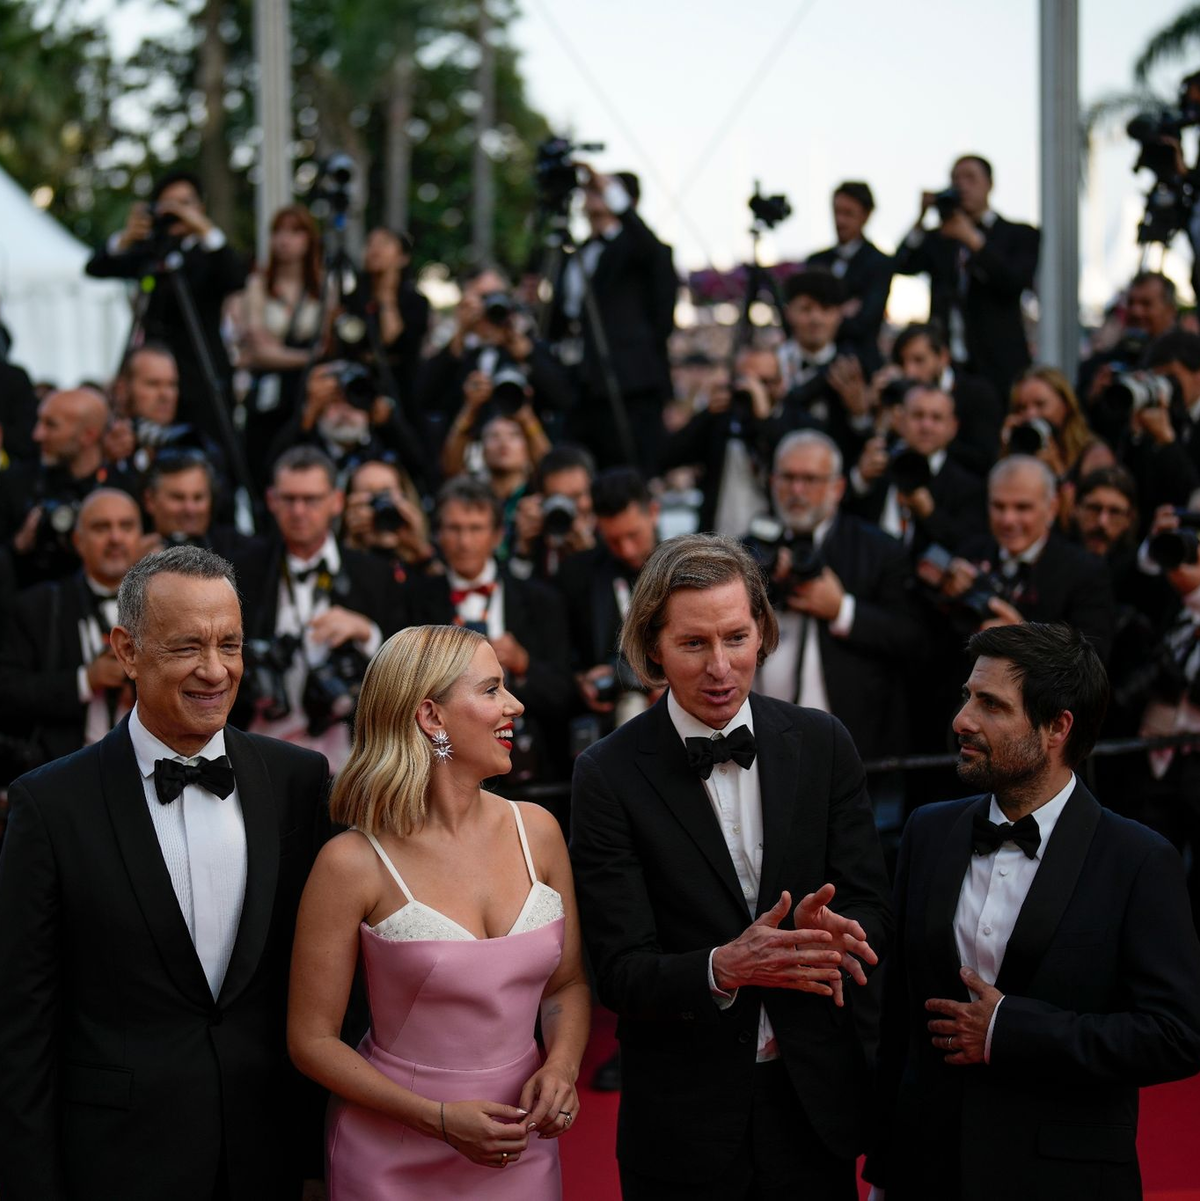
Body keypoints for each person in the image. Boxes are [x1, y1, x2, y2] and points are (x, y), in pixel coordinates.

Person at [0, 544, 329, 1199]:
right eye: (187, 647)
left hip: (267, 1154)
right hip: (116, 1162)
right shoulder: (49, 803)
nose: (215, 670)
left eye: (230, 644)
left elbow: (324, 985)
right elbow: (20, 1024)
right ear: (126, 650)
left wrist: (319, 1156)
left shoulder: (296, 780)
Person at [570, 532, 892, 1198]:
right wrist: (723, 966)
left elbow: (873, 909)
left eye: (736, 637)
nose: (720, 666)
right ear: (651, 648)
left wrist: (831, 933)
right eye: (694, 643)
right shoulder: (606, 774)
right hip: (684, 1126)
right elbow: (620, 971)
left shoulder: (823, 743)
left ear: (762, 632)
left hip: (813, 1110)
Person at [865, 622, 1200, 1201]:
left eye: (991, 704)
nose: (962, 719)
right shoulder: (929, 831)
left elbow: (1176, 1035)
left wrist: (1011, 1031)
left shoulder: (1138, 860)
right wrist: (885, 1172)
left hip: (1062, 1177)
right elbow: (899, 1019)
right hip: (927, 1170)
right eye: (968, 696)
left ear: (1056, 727)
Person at [287, 623, 590, 1198]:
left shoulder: (539, 831)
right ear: (431, 717)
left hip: (519, 1148)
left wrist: (561, 1068)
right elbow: (311, 1040)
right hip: (391, 1155)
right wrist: (438, 1119)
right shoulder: (350, 863)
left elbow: (567, 985)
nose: (515, 705)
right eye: (492, 689)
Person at [751, 431, 926, 762]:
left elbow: (913, 638)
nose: (797, 490)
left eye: (810, 479)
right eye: (788, 477)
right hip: (762, 743)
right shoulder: (749, 547)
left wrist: (842, 610)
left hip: (851, 746)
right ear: (773, 481)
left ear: (838, 488)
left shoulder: (878, 549)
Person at [403, 477, 575, 790]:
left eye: (475, 528)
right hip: (438, 772)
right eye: (454, 528)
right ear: (438, 535)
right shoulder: (414, 600)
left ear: (497, 535)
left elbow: (566, 695)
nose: (464, 541)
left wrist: (524, 664)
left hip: (529, 774)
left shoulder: (541, 601)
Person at [237, 447, 403, 770]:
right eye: (289, 499)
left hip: (351, 754)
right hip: (262, 749)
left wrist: (367, 632)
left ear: (336, 502)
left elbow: (410, 667)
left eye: (311, 499)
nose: (299, 511)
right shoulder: (244, 570)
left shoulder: (374, 573)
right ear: (271, 501)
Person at [85, 170, 247, 437]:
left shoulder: (208, 254)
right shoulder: (151, 253)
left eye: (184, 204)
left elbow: (236, 276)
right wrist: (126, 238)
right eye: (168, 205)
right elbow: (96, 267)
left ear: (200, 207)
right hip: (153, 369)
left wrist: (204, 229)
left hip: (202, 371)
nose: (176, 212)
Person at [0, 489, 144, 773]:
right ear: (78, 540)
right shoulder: (38, 607)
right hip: (62, 773)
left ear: (141, 536)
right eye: (101, 527)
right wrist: (84, 681)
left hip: (148, 771)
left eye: (126, 526)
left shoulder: (167, 608)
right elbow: (7, 691)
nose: (115, 538)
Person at [550, 167, 678, 474]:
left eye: (602, 191)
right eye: (590, 190)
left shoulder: (638, 251)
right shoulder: (571, 252)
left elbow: (652, 252)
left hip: (628, 387)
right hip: (579, 383)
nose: (591, 194)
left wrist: (609, 190)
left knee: (629, 475)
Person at [893, 155, 1039, 401]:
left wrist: (973, 241)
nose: (962, 185)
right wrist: (920, 218)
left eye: (970, 178)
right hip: (947, 360)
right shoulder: (941, 237)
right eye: (955, 179)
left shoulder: (1018, 234)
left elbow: (1014, 281)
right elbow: (901, 264)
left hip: (998, 361)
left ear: (989, 184)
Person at [0, 387, 134, 587]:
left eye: (51, 425)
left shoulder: (123, 489)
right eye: (39, 421)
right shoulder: (12, 484)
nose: (37, 434)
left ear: (88, 435)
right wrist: (17, 546)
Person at [236, 205, 326, 488]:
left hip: (307, 394)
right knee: (264, 469)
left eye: (295, 231)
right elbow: (258, 352)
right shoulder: (258, 285)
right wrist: (308, 356)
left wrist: (279, 352)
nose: (285, 240)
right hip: (268, 399)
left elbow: (327, 344)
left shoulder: (324, 287)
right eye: (278, 231)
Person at [847, 384, 986, 556]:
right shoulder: (875, 465)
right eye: (918, 416)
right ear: (899, 420)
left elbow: (971, 546)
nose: (926, 426)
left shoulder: (968, 486)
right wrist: (860, 480)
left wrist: (930, 514)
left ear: (953, 427)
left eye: (936, 418)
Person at [889, 321, 1003, 477]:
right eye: (902, 363)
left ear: (942, 357)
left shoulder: (977, 394)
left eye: (919, 360)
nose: (910, 372)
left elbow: (984, 458)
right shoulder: (899, 395)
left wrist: (925, 439)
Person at [806, 181, 893, 372]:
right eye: (837, 212)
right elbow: (801, 315)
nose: (840, 221)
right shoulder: (815, 261)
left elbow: (865, 321)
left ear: (866, 215)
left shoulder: (879, 263)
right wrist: (840, 312)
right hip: (813, 363)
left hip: (859, 364)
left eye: (848, 213)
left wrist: (822, 316)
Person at [1002, 366, 1092, 480]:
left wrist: (1057, 471)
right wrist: (1007, 452)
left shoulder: (1090, 453)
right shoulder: (1014, 450)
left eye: (1040, 404)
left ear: (1066, 405)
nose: (1031, 414)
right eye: (1022, 408)